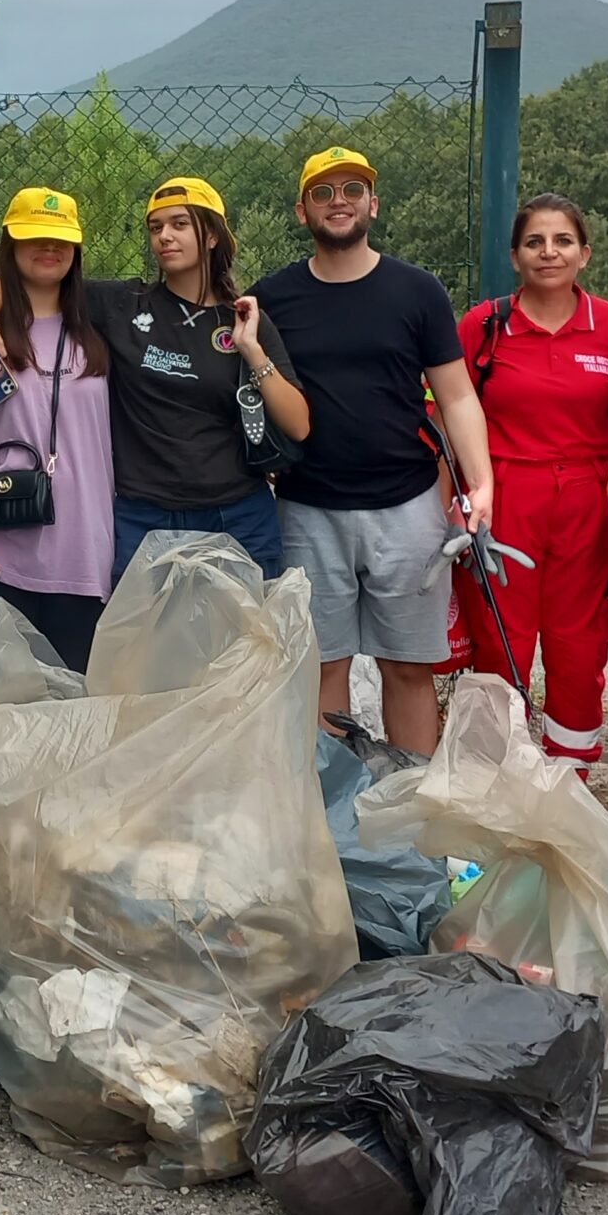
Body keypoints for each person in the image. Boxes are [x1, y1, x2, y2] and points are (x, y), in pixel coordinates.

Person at [246, 147, 485, 757]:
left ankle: (412, 810)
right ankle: (338, 816)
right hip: (305, 508)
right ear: (302, 211)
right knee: (323, 667)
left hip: (406, 506)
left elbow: (456, 396)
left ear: (373, 204)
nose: (339, 201)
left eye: (352, 189)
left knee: (407, 667)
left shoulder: (418, 290)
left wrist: (480, 484)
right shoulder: (272, 297)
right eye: (323, 193)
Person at [0, 175, 305, 581]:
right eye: (155, 228)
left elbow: (298, 424)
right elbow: (33, 276)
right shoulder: (123, 304)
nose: (164, 237)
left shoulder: (245, 319)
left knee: (242, 645)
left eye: (179, 224)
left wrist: (253, 351)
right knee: (150, 645)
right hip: (145, 516)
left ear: (212, 235)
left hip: (238, 514)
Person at [458, 194, 608, 767]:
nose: (548, 253)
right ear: (515, 255)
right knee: (499, 643)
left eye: (562, 241)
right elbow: (447, 415)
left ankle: (569, 779)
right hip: (504, 496)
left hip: (588, 499)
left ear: (584, 252)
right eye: (535, 242)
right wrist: (454, 501)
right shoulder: (485, 325)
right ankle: (495, 775)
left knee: (580, 648)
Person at [0, 187, 116, 674]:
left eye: (60, 239)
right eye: (33, 237)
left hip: (85, 553)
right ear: (10, 245)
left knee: (74, 706)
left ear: (76, 251)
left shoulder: (103, 325)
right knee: (1, 704)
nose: (48, 248)